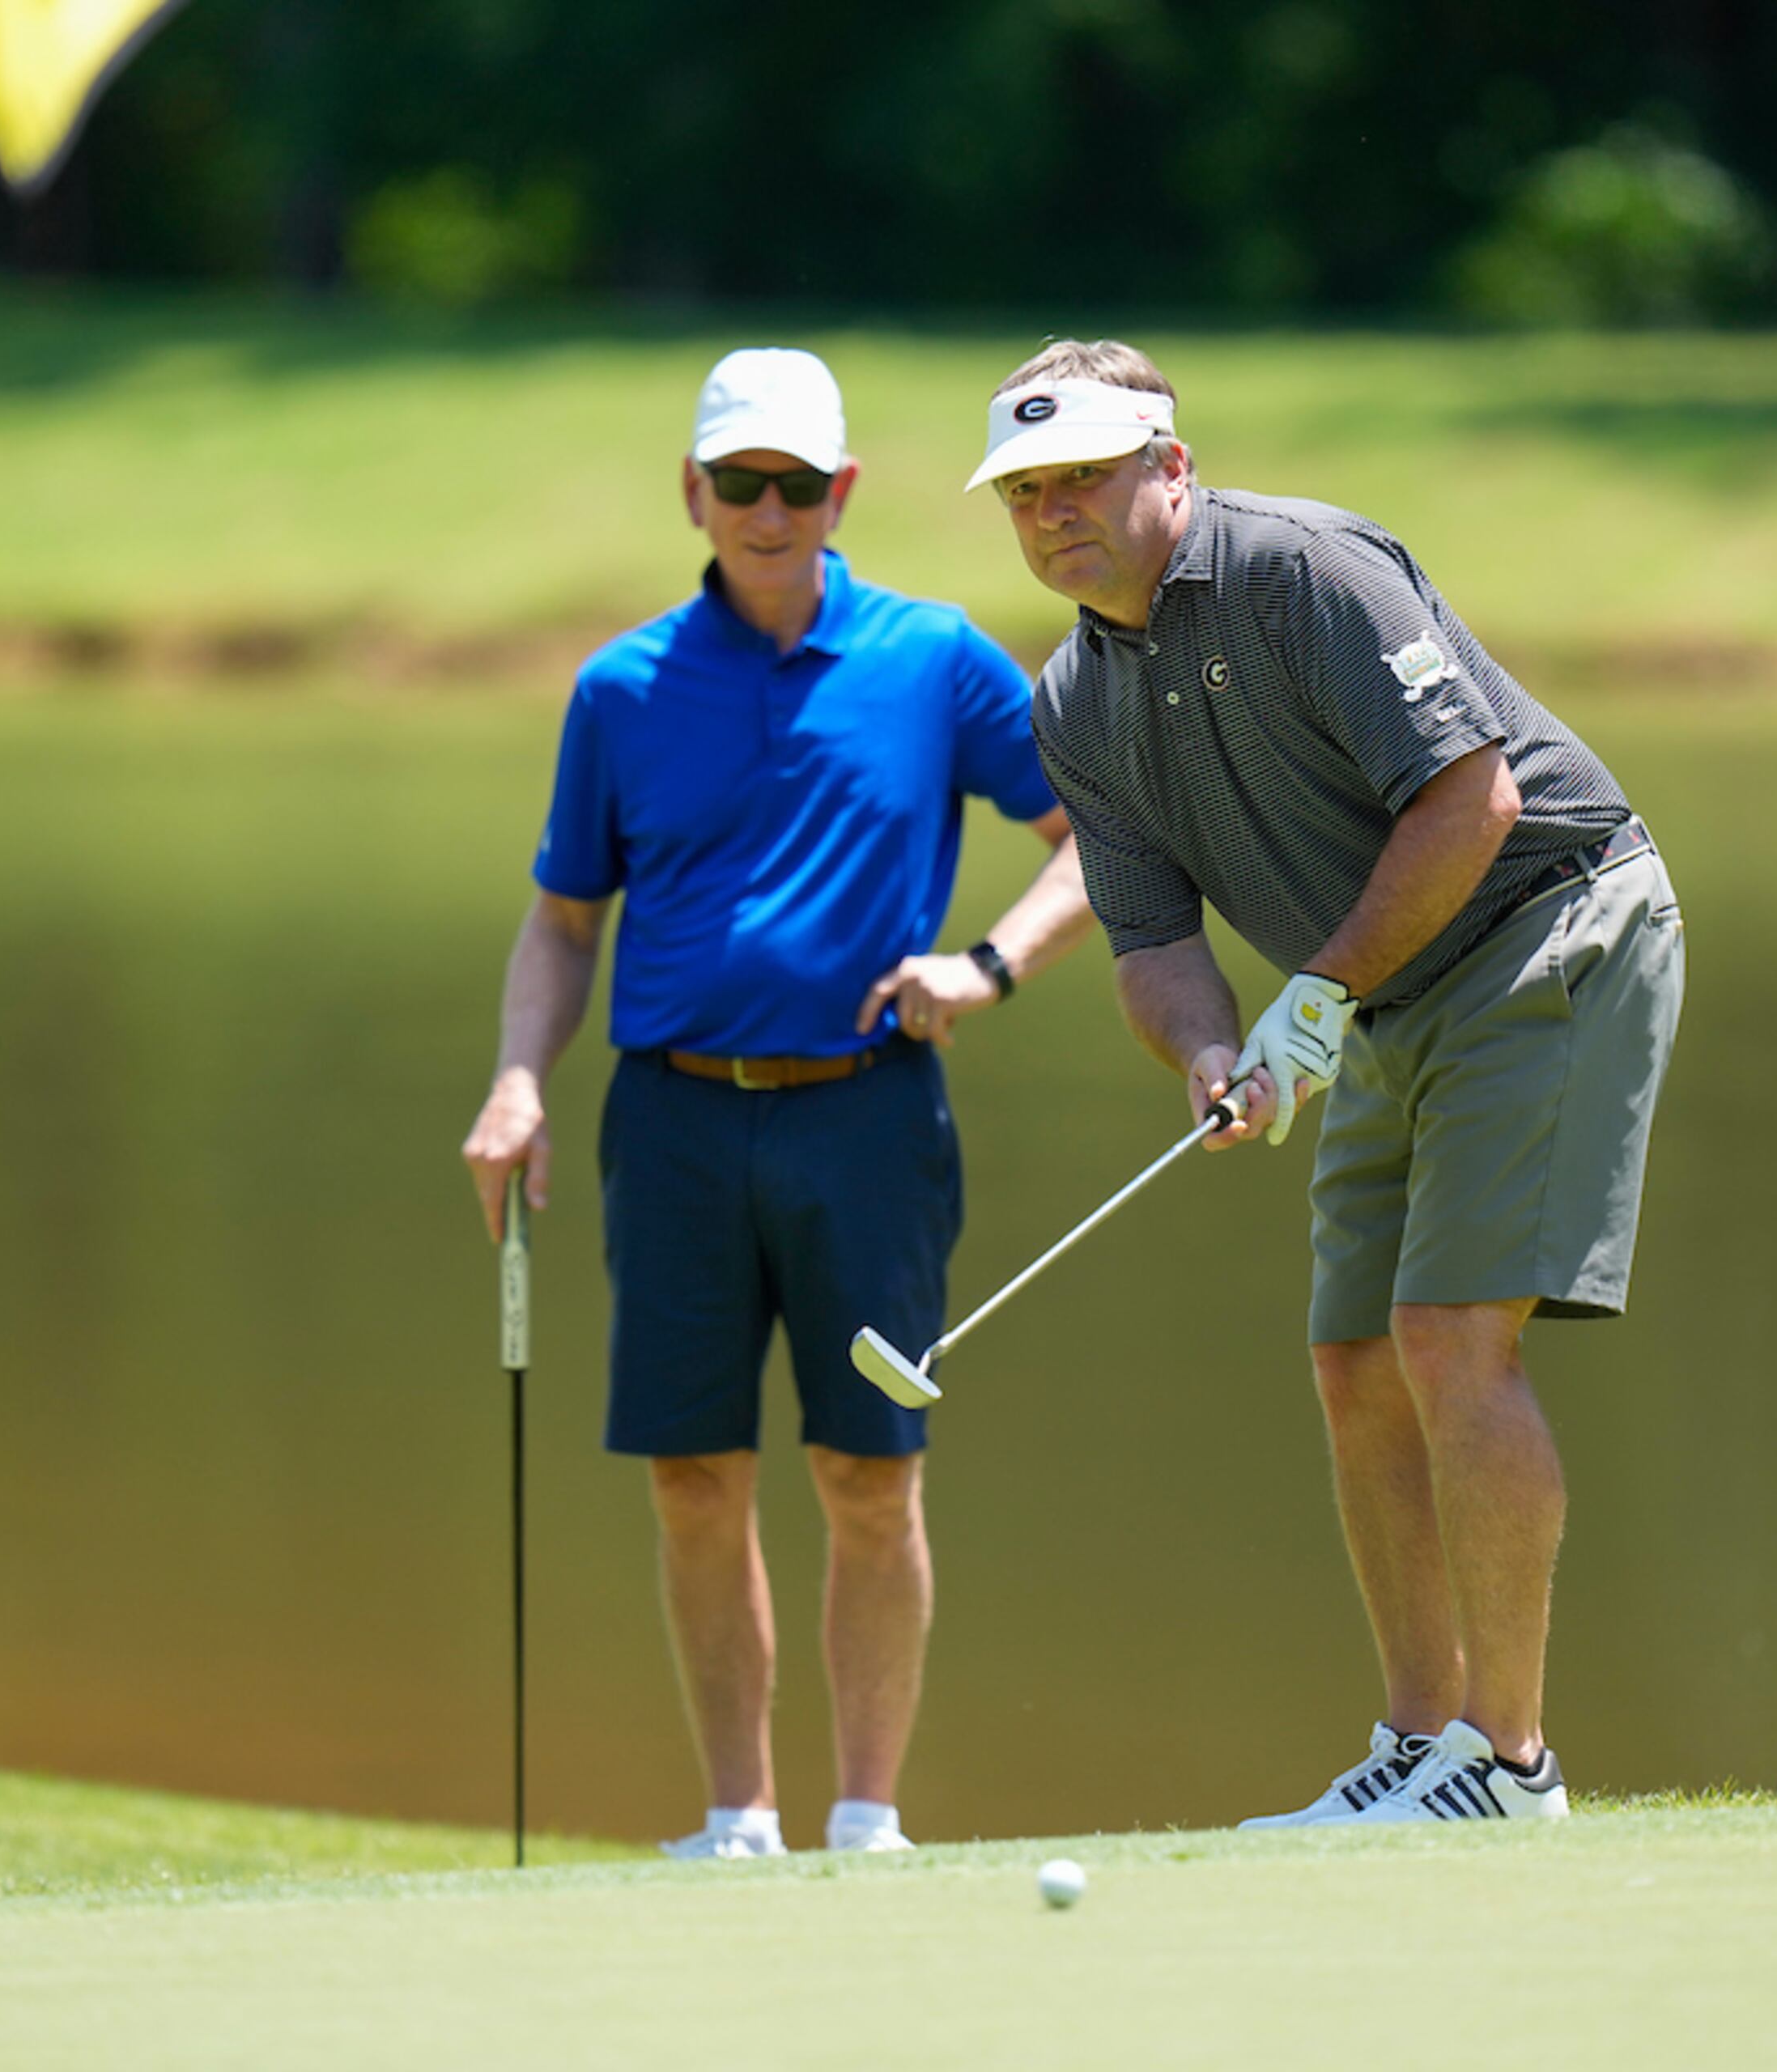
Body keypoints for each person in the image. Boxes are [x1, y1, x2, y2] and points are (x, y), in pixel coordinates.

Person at [967, 340, 1684, 1824]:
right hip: (1379, 991)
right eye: (1025, 492)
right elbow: (1150, 943)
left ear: (1168, 467)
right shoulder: (1073, 702)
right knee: (1354, 1355)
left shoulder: (1304, 573)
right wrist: (1215, 1052)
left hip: (1545, 925)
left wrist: (1319, 998)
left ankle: (1512, 1764)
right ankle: (1419, 1755)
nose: (1052, 514)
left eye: (1081, 478)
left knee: (1444, 1337)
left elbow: (1472, 798)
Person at [463, 348, 1095, 1858]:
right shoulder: (622, 687)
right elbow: (564, 923)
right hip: (673, 1125)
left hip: (866, 1117)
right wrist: (512, 1085)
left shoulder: (935, 661)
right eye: (739, 482)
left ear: (842, 494)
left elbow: (1097, 839)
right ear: (694, 490)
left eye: (795, 485)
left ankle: (866, 1820)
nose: (767, 509)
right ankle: (736, 1822)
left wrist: (990, 967)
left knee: (867, 1473)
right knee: (694, 1472)